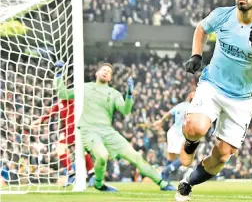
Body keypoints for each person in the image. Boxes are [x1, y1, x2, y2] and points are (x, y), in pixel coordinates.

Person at [175, 0, 252, 201]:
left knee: (223, 155)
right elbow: (201, 29)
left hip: (243, 98)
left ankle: (188, 182)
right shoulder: (222, 15)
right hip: (213, 85)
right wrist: (196, 55)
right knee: (196, 126)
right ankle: (190, 142)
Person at [55, 61, 175, 192]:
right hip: (89, 131)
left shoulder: (114, 93)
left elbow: (126, 110)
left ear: (110, 78)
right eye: (103, 70)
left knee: (135, 157)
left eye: (109, 72)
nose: (106, 72)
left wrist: (129, 95)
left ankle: (162, 183)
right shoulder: (85, 87)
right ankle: (99, 184)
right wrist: (59, 75)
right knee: (102, 155)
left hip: (108, 132)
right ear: (97, 73)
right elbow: (62, 93)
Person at [32, 99, 95, 187]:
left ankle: (75, 174)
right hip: (68, 130)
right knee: (76, 151)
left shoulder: (73, 99)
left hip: (75, 128)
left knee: (67, 150)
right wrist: (40, 120)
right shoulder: (60, 103)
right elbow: (50, 113)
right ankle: (88, 174)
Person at [153, 92, 195, 181]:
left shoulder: (180, 105)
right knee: (184, 158)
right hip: (180, 134)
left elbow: (169, 114)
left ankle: (164, 180)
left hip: (172, 132)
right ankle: (165, 171)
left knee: (171, 158)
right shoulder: (194, 108)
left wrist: (160, 121)